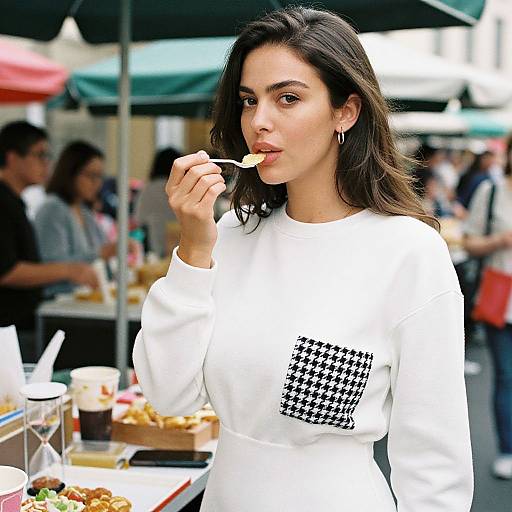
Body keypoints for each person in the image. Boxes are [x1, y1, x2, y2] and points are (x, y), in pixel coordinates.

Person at [133, 8, 473, 511]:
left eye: (287, 98)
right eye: (249, 101)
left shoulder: (407, 252)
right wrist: (193, 252)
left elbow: (436, 466)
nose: (259, 122)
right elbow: (168, 396)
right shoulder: (230, 233)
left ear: (346, 111)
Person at [0, 122, 98, 361]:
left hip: (22, 324)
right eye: (40, 155)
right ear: (12, 158)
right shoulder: (2, 202)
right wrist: (68, 270)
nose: (46, 163)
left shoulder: (14, 201)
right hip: (10, 328)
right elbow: (6, 271)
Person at [463, 132, 512, 479]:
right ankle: (508, 449)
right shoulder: (491, 191)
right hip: (502, 300)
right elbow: (469, 241)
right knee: (508, 377)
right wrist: (500, 240)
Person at [34, 141, 135, 297]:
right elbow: (51, 265)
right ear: (70, 173)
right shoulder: (52, 209)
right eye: (91, 175)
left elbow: (103, 257)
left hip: (86, 299)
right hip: (59, 302)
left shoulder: (84, 212)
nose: (97, 183)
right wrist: (105, 252)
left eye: (100, 176)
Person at [134, 147, 181, 257]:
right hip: (182, 245)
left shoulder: (148, 189)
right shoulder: (181, 188)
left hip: (153, 248)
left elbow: (138, 219)